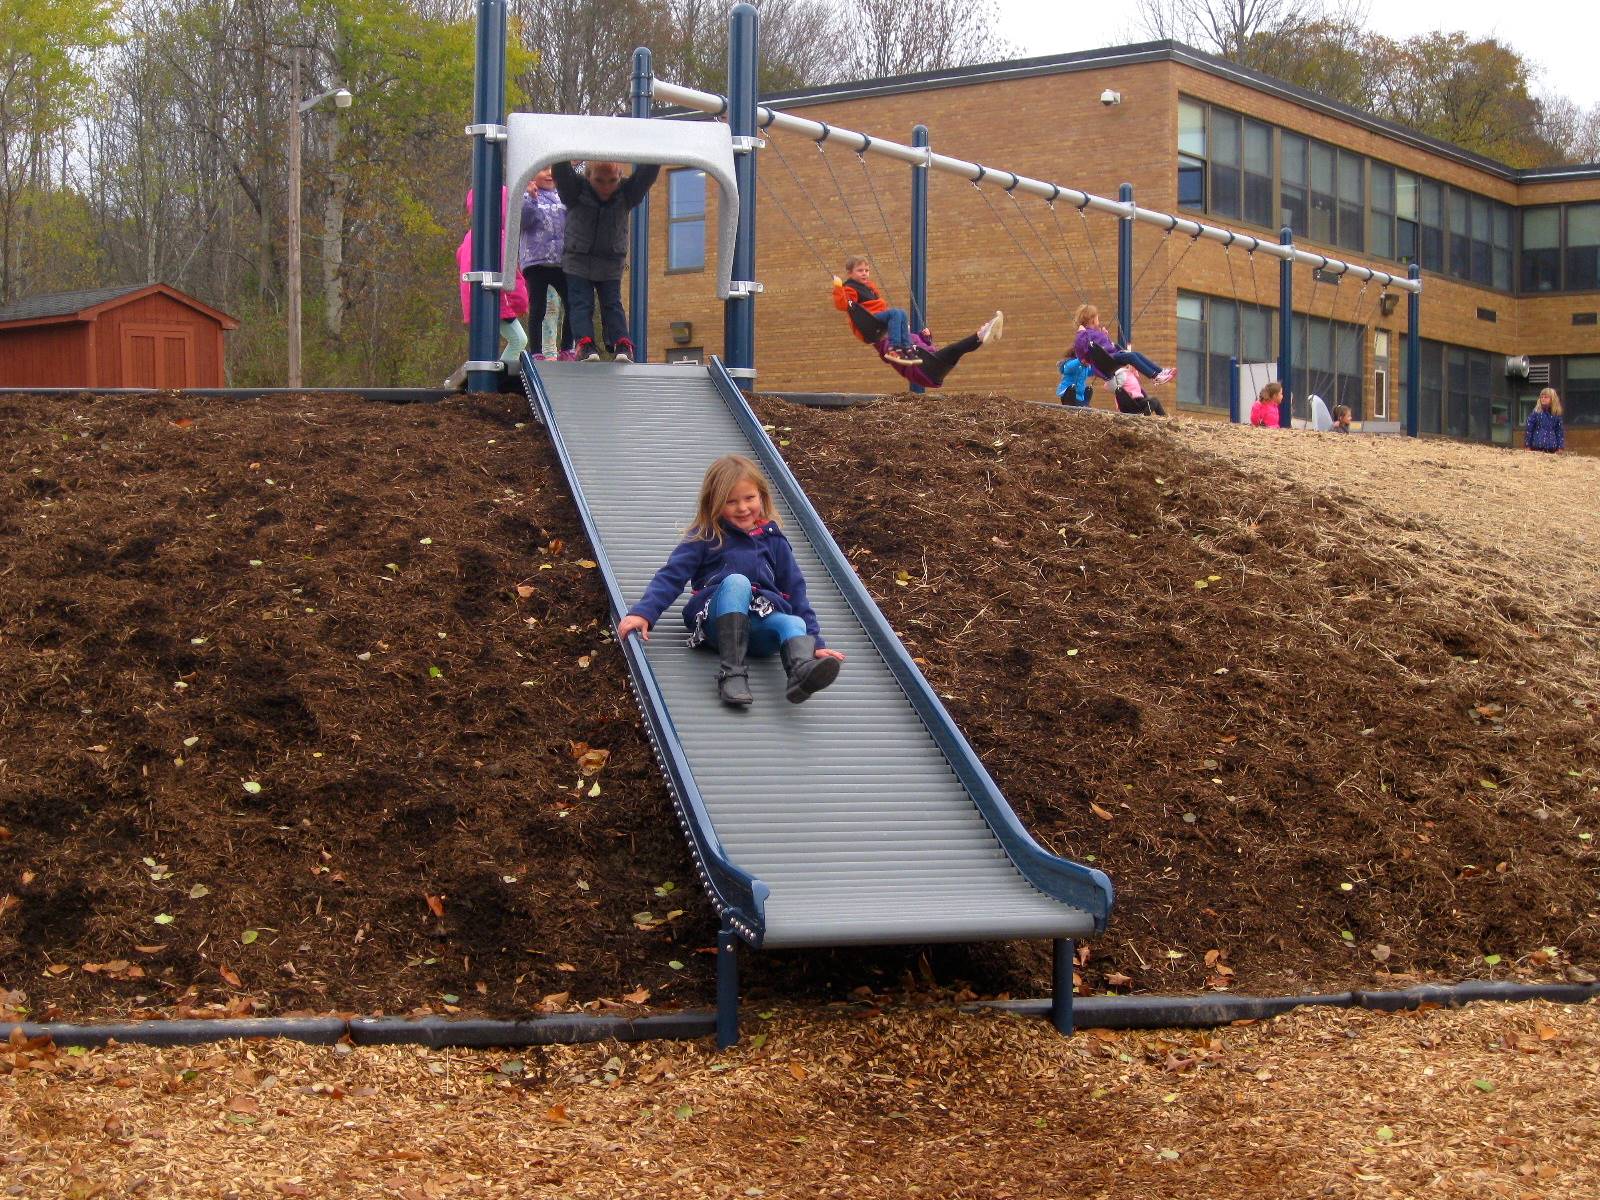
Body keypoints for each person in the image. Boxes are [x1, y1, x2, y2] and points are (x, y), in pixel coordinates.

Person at [617, 455, 845, 708]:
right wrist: (645, 612)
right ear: (714, 504)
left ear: (762, 496)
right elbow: (672, 575)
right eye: (731, 501)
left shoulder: (774, 540)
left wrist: (815, 641)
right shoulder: (707, 536)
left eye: (750, 498)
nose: (743, 508)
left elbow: (795, 591)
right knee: (737, 582)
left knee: (793, 620)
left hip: (758, 628)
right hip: (715, 622)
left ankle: (801, 672)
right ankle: (732, 673)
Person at [553, 159, 660, 362]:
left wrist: (655, 149)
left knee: (612, 303)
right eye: (599, 180)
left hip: (610, 258)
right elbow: (561, 170)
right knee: (580, 303)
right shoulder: (575, 191)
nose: (606, 187)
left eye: (612, 180)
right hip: (578, 258)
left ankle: (622, 344)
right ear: (588, 177)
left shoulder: (626, 194)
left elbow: (647, 174)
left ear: (620, 177)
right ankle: (585, 344)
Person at [456, 187, 530, 384]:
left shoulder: (473, 235)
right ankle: (499, 378)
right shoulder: (499, 236)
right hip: (496, 297)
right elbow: (507, 270)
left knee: (489, 342)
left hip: (477, 296)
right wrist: (516, 297)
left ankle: (496, 373)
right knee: (518, 340)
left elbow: (460, 255)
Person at [519, 168, 573, 360]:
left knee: (573, 302)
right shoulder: (526, 195)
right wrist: (531, 198)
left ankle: (568, 348)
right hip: (537, 261)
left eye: (553, 169)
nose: (550, 173)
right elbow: (524, 222)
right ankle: (536, 351)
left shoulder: (563, 197)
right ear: (532, 173)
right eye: (543, 169)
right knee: (538, 307)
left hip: (560, 261)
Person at [876, 312, 1004, 390]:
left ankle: (984, 336)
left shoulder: (914, 337)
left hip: (931, 367)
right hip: (922, 368)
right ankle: (983, 333)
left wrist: (926, 338)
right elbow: (891, 352)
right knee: (954, 349)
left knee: (957, 351)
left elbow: (931, 350)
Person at [832, 257, 920, 365]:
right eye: (860, 271)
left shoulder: (869, 287)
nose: (864, 273)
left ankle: (907, 347)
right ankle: (893, 348)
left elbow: (879, 303)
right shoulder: (849, 288)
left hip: (877, 317)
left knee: (902, 312)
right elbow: (843, 305)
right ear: (850, 273)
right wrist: (838, 288)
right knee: (895, 313)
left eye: (866, 270)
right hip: (868, 321)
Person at [1072, 304, 1176, 385]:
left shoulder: (1096, 333)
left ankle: (1160, 371)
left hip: (1112, 356)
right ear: (1092, 320)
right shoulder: (1085, 334)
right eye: (1097, 318)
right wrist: (1081, 332)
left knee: (1136, 354)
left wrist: (1105, 336)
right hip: (1108, 360)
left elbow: (1105, 345)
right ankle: (1155, 377)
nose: (1098, 320)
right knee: (1131, 356)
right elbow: (1080, 348)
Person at [1524, 387, 1565, 453]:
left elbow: (1559, 431)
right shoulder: (1535, 413)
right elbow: (1529, 430)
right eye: (1542, 397)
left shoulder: (1556, 415)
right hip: (1536, 448)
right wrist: (1527, 445)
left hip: (1552, 448)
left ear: (1552, 399)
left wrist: (1560, 447)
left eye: (1546, 397)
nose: (1543, 399)